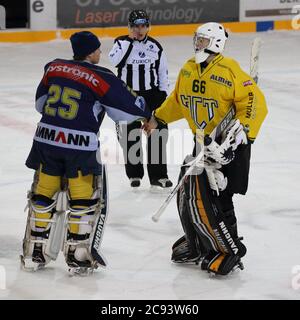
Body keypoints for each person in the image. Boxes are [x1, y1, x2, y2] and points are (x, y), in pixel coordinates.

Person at [21, 31, 151, 274]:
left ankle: (34, 251)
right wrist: (149, 114)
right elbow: (128, 110)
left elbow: (40, 104)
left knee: (43, 195)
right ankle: (78, 254)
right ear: (91, 52)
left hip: (45, 142)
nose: (101, 53)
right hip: (79, 147)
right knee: (83, 200)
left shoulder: (54, 68)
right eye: (98, 50)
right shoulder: (101, 76)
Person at [144, 22, 268, 275]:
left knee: (219, 197)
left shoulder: (229, 69)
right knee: (186, 194)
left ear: (215, 42)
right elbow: (179, 101)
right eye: (197, 39)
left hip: (226, 146)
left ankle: (229, 249)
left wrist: (241, 133)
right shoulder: (189, 68)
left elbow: (256, 104)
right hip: (200, 143)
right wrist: (158, 117)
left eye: (202, 39)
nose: (197, 43)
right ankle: (198, 242)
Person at [108, 9, 172, 190]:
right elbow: (114, 61)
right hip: (128, 96)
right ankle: (135, 174)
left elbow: (162, 73)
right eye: (136, 26)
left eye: (143, 25)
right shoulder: (120, 43)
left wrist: (162, 95)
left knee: (158, 134)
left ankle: (159, 177)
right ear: (130, 27)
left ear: (148, 26)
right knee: (131, 136)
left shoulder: (155, 46)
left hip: (152, 96)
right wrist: (130, 42)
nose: (140, 29)